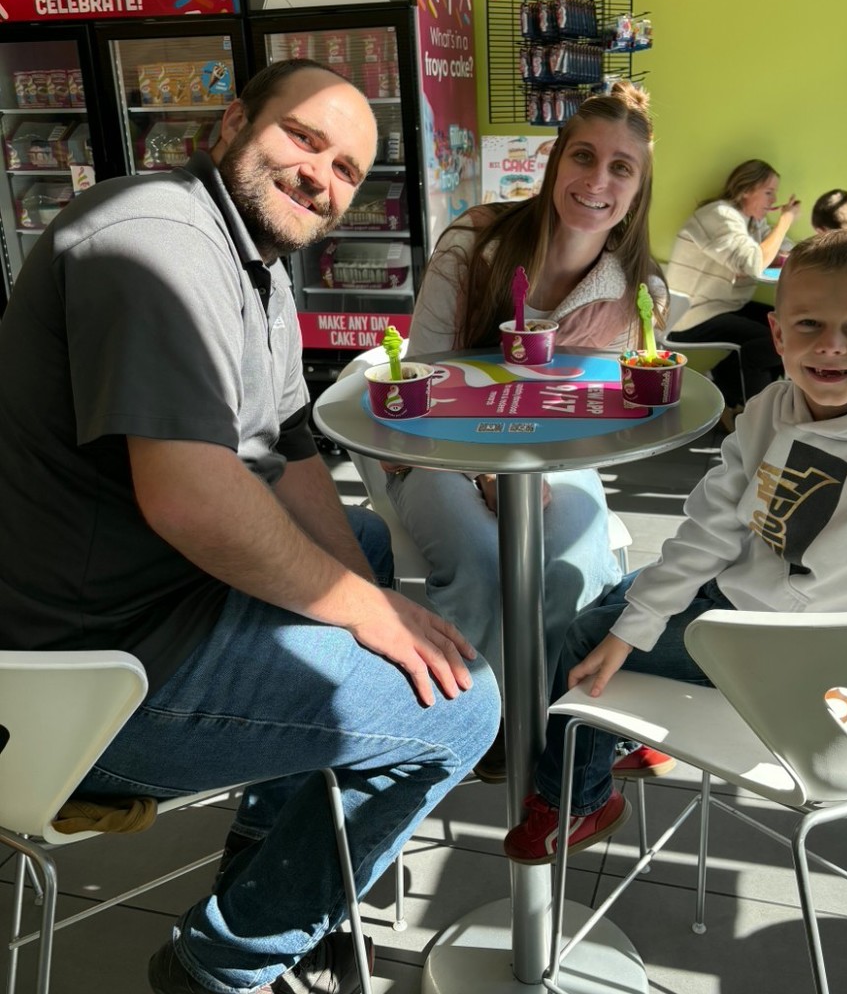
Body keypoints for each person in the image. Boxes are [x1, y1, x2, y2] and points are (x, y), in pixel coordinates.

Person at [0, 59, 500, 993]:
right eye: (304, 140)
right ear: (232, 124)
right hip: (80, 676)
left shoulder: (256, 268)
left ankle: (265, 853)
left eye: (347, 169)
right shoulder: (153, 239)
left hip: (153, 608)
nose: (322, 176)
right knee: (464, 710)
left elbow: (290, 459)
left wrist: (371, 599)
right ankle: (225, 964)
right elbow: (191, 494)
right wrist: (365, 613)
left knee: (374, 556)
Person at [503, 230, 847, 865]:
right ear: (777, 335)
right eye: (808, 323)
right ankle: (630, 741)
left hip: (782, 652)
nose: (831, 346)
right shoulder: (774, 406)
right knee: (609, 616)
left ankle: (579, 801)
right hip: (731, 600)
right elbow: (712, 526)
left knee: (582, 642)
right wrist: (640, 624)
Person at [381, 81, 670, 782]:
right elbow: (423, 371)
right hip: (437, 452)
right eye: (583, 157)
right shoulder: (476, 242)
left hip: (553, 456)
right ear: (554, 164)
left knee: (570, 560)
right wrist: (488, 469)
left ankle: (554, 719)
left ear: (637, 190)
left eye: (620, 168)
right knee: (483, 558)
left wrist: (530, 466)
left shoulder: (638, 288)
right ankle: (479, 723)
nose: (597, 181)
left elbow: (604, 410)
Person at [664, 158, 802, 428]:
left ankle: (725, 384)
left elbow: (781, 250)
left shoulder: (750, 222)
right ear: (746, 189)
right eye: (769, 192)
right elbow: (752, 263)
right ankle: (758, 425)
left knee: (788, 324)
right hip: (689, 315)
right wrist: (785, 221)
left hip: (723, 307)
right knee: (770, 341)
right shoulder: (720, 215)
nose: (774, 200)